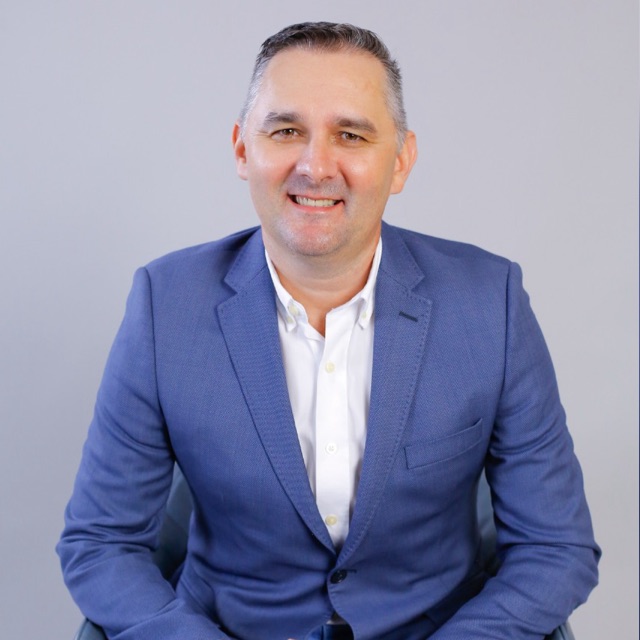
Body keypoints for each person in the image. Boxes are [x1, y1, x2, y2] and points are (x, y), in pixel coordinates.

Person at [58, 22, 600, 640]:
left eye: (351, 135)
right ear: (242, 150)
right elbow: (99, 545)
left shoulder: (489, 303)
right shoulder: (166, 306)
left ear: (401, 160)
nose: (315, 166)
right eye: (286, 131)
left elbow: (557, 549)